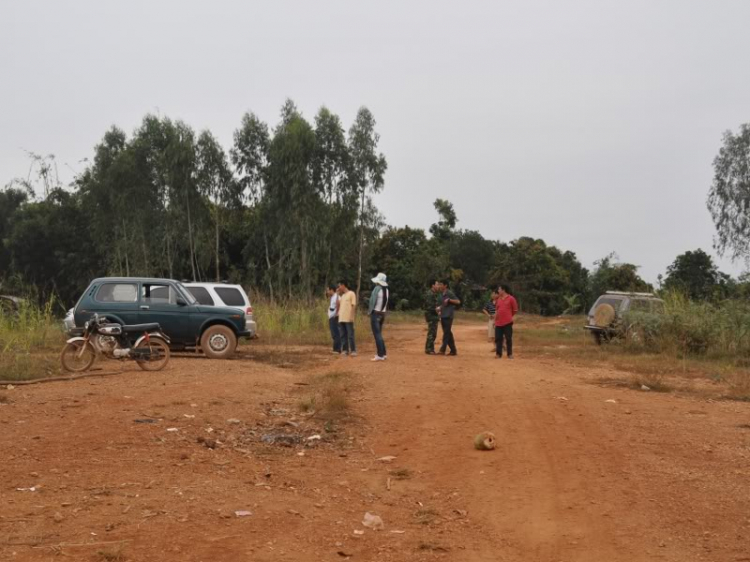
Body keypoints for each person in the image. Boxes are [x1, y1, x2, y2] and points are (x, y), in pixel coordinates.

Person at [368, 272, 390, 362]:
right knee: (379, 334)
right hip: (382, 314)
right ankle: (383, 353)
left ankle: (380, 355)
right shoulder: (387, 290)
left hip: (376, 313)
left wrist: (369, 311)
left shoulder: (377, 289)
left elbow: (372, 301)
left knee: (377, 334)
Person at [494, 283, 519, 359]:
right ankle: (498, 354)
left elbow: (515, 310)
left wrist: (508, 316)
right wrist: (495, 320)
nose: (498, 291)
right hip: (498, 322)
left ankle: (509, 354)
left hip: (507, 322)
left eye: (499, 289)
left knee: (508, 338)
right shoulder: (498, 299)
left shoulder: (511, 298)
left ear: (503, 290)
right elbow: (497, 310)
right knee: (498, 338)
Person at [437, 279, 461, 356]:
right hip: (443, 315)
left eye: (441, 284)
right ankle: (453, 350)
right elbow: (442, 305)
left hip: (449, 316)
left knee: (446, 333)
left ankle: (442, 350)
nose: (440, 286)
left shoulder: (449, 293)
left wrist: (450, 300)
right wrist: (439, 308)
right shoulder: (441, 294)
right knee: (448, 333)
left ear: (445, 285)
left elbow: (458, 301)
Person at [337, 280, 357, 357]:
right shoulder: (342, 296)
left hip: (348, 318)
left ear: (343, 285)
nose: (339, 288)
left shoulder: (351, 293)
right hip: (341, 318)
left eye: (339, 286)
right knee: (343, 335)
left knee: (350, 335)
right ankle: (345, 350)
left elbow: (353, 305)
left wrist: (352, 316)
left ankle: (353, 350)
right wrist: (337, 294)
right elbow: (338, 305)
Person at [423, 281, 440, 354]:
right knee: (432, 333)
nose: (438, 286)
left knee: (432, 332)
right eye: (437, 284)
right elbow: (430, 307)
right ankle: (429, 349)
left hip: (433, 315)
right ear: (433, 285)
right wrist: (437, 310)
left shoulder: (433, 294)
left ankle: (429, 348)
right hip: (431, 315)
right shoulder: (430, 294)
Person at [326, 284, 342, 354]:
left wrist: (337, 314)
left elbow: (339, 304)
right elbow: (326, 295)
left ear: (331, 290)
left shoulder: (337, 297)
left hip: (334, 317)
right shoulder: (333, 297)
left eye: (328, 290)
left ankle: (337, 350)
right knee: (334, 334)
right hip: (331, 317)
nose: (327, 291)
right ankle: (336, 349)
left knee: (336, 334)